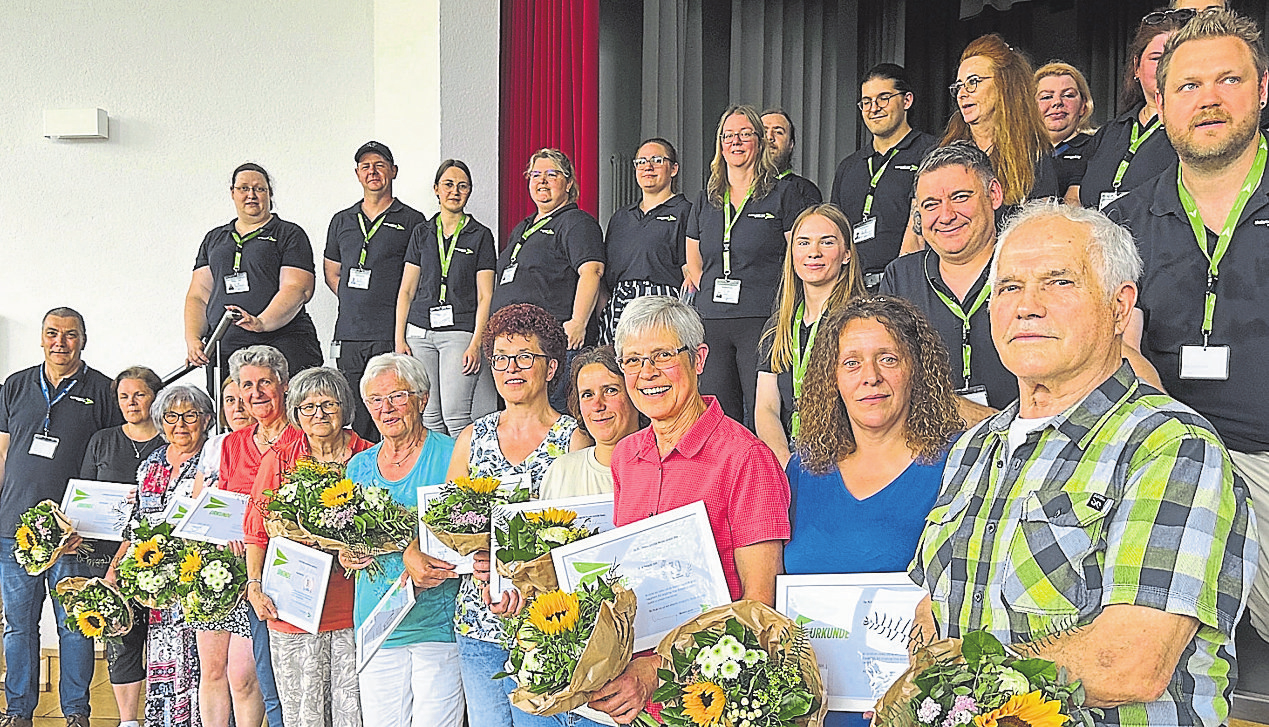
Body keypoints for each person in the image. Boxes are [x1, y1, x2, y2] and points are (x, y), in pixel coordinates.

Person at [909, 200, 1255, 727]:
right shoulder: (974, 448)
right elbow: (934, 611)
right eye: (1008, 287)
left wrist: (951, 688)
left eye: (1058, 282)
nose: (1027, 306)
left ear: (1120, 309)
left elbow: (1128, 663)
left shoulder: (1170, 447)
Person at [1107, 8, 1269, 648]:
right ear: (1161, 101)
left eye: (1228, 80)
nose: (1207, 100)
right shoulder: (1124, 221)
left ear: (1262, 89)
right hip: (1162, 462)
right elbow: (1114, 351)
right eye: (1187, 87)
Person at [587, 296, 790, 725]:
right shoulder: (626, 456)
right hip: (633, 699)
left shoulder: (745, 458)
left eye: (663, 355)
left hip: (714, 699)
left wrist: (656, 669)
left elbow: (759, 608)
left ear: (698, 359)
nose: (647, 373)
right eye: (633, 360)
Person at [787, 296, 962, 727]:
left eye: (888, 359)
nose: (871, 377)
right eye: (852, 363)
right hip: (812, 713)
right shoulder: (803, 469)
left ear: (916, 370)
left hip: (920, 710)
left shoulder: (958, 464)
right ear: (832, 378)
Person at [446, 303, 589, 727]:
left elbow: (582, 537)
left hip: (546, 627)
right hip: (478, 621)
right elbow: (448, 525)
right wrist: (468, 558)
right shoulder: (474, 437)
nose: (512, 368)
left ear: (550, 368)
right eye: (501, 359)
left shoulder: (573, 438)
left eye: (525, 357)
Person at [0, 307, 123, 727]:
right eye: (52, 333)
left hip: (76, 533)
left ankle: (76, 712)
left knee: (75, 626)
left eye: (70, 335)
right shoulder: (15, 386)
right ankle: (18, 711)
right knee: (19, 627)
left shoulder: (105, 390)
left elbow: (114, 457)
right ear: (40, 337)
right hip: (14, 531)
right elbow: (1, 451)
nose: (60, 342)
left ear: (83, 340)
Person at [244, 367, 370, 727]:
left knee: (353, 711)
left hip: (352, 605)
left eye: (328, 405)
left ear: (345, 409)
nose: (319, 414)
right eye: (308, 407)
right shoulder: (280, 458)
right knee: (304, 713)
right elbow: (256, 531)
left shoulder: (366, 456)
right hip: (293, 607)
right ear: (296, 413)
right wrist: (254, 585)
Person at [343, 354, 462, 726]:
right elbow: (348, 531)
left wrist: (412, 545)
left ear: (422, 399)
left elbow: (466, 529)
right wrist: (346, 552)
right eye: (376, 400)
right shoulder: (358, 466)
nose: (386, 408)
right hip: (377, 622)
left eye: (397, 396)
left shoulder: (452, 454)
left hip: (436, 623)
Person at [198, 345, 300, 727]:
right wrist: (227, 535)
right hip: (247, 573)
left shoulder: (301, 438)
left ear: (284, 386)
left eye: (264, 383)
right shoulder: (231, 445)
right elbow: (224, 503)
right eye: (246, 386)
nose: (255, 393)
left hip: (292, 570)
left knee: (287, 675)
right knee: (262, 675)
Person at [686, 104, 805, 428]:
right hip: (712, 321)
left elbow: (796, 255)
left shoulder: (783, 193)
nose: (735, 142)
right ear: (719, 144)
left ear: (760, 141)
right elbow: (693, 260)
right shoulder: (706, 198)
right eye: (728, 136)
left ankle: (761, 477)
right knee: (716, 415)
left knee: (762, 412)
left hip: (762, 318)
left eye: (744, 134)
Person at [880, 143, 1017, 416]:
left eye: (960, 197)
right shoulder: (900, 278)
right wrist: (971, 415)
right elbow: (887, 376)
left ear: (994, 194)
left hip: (1022, 447)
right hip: (926, 447)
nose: (946, 215)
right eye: (931, 205)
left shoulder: (1030, 270)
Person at [110, 384, 216, 727]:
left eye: (191, 416)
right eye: (171, 416)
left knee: (201, 667)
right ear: (160, 420)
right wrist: (116, 566)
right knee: (164, 660)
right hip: (158, 587)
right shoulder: (151, 464)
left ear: (207, 420)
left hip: (199, 579)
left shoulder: (214, 462)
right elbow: (137, 522)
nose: (180, 424)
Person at [184, 162, 322, 391]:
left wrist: (261, 323)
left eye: (259, 189)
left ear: (269, 194)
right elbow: (198, 295)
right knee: (235, 419)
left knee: (287, 413)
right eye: (244, 188)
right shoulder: (215, 239)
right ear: (232, 193)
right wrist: (193, 340)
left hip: (282, 344)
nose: (251, 195)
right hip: (227, 349)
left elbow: (298, 288)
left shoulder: (288, 234)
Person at [324, 141, 428, 443]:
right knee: (353, 407)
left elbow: (418, 277)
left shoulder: (412, 220)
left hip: (389, 332)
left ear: (393, 171)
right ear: (357, 174)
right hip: (349, 333)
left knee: (389, 404)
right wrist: (355, 301)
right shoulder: (341, 220)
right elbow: (333, 271)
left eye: (380, 165)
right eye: (366, 166)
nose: (373, 171)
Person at [491, 148, 606, 413]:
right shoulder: (522, 227)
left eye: (552, 174)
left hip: (554, 345)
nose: (542, 181)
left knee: (555, 418)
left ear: (568, 183)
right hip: (516, 349)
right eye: (535, 174)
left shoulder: (576, 222)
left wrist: (578, 322)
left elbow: (592, 272)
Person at [81, 366, 164, 727]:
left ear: (155, 396)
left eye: (139, 394)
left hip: (161, 557)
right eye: (124, 396)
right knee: (121, 639)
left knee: (165, 640)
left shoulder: (172, 439)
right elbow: (84, 496)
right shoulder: (102, 440)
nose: (131, 403)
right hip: (106, 557)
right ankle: (128, 720)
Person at [756, 204, 866, 467]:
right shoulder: (778, 326)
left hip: (848, 459)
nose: (813, 253)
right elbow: (766, 407)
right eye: (803, 243)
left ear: (847, 254)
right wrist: (785, 461)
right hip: (789, 459)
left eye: (826, 242)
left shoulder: (863, 322)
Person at [396, 159, 498, 436]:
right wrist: (399, 338)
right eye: (448, 185)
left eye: (462, 186)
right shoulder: (422, 233)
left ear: (470, 192)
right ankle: (438, 479)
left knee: (455, 416)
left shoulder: (480, 236)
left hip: (459, 333)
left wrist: (477, 343)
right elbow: (406, 290)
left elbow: (485, 295)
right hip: (419, 333)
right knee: (428, 416)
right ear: (436, 190)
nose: (455, 191)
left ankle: (460, 479)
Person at [831, 63, 939, 286]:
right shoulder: (848, 167)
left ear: (907, 100)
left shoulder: (932, 153)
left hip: (910, 283)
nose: (874, 108)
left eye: (884, 98)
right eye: (866, 102)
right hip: (853, 289)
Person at [1076, 11, 1187, 209]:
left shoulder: (1194, 130)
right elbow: (1076, 199)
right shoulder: (1108, 134)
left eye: (1176, 57)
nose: (1165, 67)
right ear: (1136, 67)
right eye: (1156, 58)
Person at [942, 33, 1060, 207]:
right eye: (959, 86)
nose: (962, 93)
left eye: (973, 82)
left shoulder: (1033, 155)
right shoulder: (944, 151)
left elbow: (1042, 225)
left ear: (1005, 85)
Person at [599, 138, 692, 344]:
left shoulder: (687, 212)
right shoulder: (621, 217)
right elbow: (606, 279)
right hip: (619, 305)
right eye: (641, 162)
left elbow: (691, 273)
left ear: (673, 169)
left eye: (657, 160)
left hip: (662, 304)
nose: (647, 167)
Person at [539, 345, 642, 499]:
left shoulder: (664, 468)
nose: (597, 405)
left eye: (610, 390)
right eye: (587, 395)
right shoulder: (561, 473)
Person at [1034, 61, 1099, 200]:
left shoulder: (1098, 147)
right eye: (1046, 97)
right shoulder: (1018, 151)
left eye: (1068, 95)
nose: (1057, 102)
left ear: (1083, 105)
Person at [193, 376, 257, 493]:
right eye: (230, 400)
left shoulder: (265, 444)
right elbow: (196, 499)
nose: (237, 408)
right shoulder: (212, 444)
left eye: (244, 400)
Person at [761, 108, 823, 212]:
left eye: (778, 132)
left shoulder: (804, 190)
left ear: (791, 145)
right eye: (763, 131)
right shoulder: (739, 188)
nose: (769, 137)